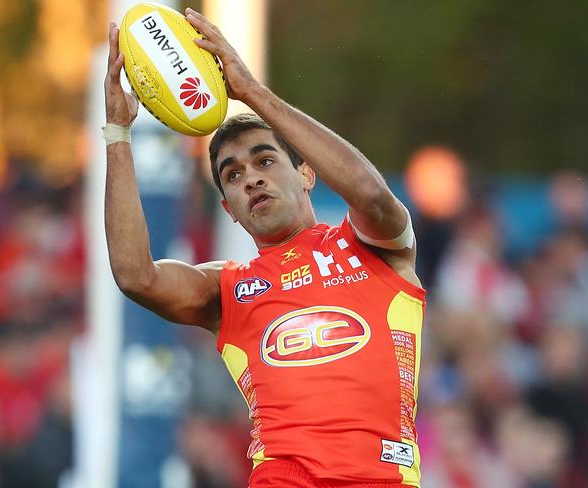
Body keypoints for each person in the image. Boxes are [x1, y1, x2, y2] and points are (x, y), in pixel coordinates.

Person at [104, 7, 426, 488]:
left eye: (265, 160)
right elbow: (136, 276)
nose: (250, 177)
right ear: (229, 208)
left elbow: (373, 195)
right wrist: (117, 134)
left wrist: (251, 92)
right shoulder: (227, 287)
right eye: (232, 174)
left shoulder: (372, 246)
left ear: (307, 174)